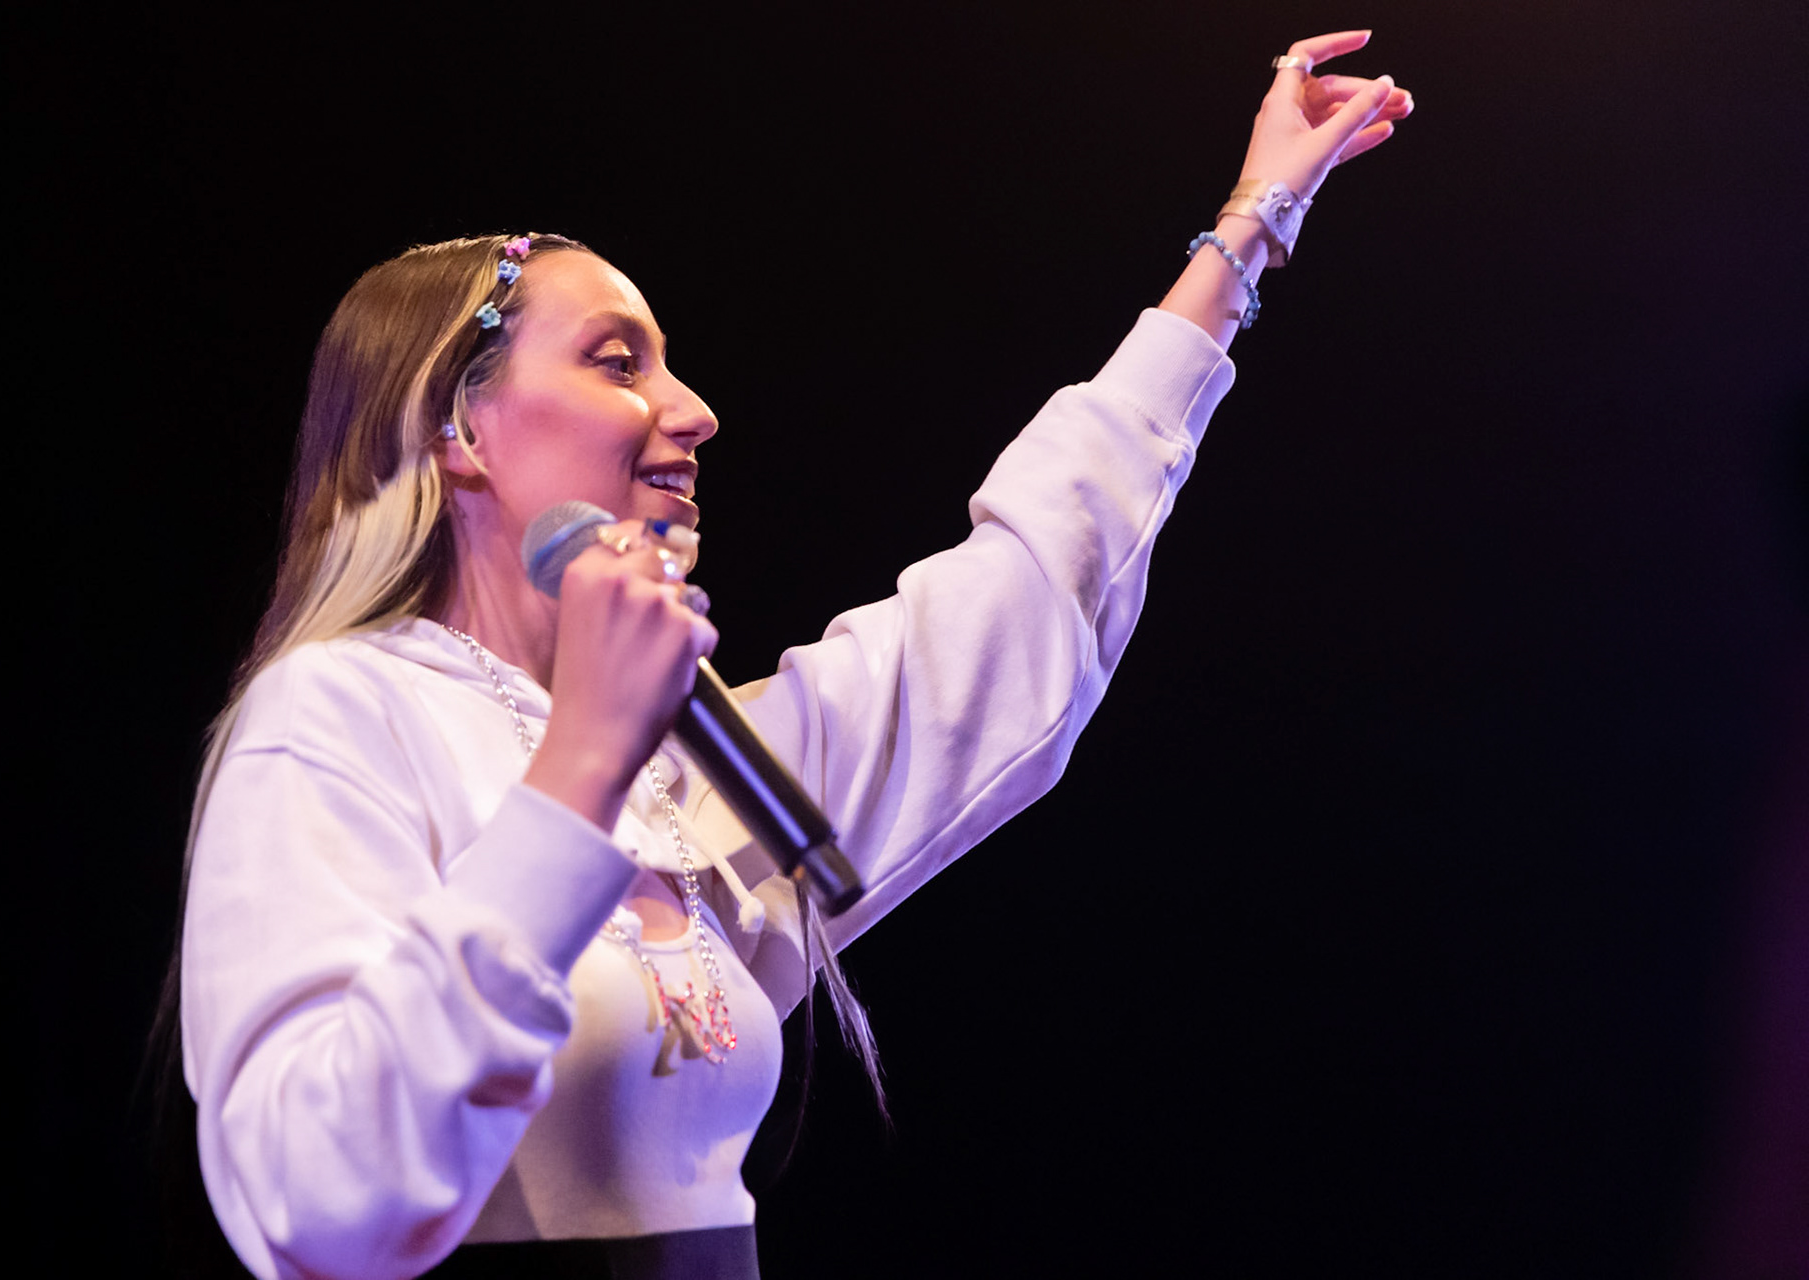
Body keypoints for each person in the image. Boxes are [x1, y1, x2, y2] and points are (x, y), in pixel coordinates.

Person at [170, 31, 1413, 1280]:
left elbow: (1013, 605)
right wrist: (580, 772)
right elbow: (319, 1196)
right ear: (455, 427)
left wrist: (1246, 232)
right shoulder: (338, 716)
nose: (694, 410)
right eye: (617, 360)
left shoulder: (698, 750)